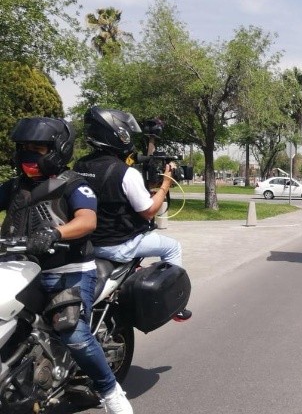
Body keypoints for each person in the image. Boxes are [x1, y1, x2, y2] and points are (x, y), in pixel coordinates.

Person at [0, 117, 133, 413]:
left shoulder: (75, 186)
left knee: (72, 331)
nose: (29, 155)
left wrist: (55, 233)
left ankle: (112, 393)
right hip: (20, 268)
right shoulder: (13, 188)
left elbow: (87, 220)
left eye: (39, 148)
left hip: (67, 271)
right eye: (24, 148)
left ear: (58, 150)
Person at [73, 106, 191, 321]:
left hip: (87, 241)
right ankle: (177, 305)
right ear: (119, 134)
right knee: (173, 247)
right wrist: (165, 185)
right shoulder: (125, 173)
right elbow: (149, 211)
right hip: (117, 244)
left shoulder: (79, 165)